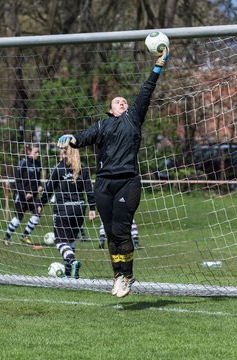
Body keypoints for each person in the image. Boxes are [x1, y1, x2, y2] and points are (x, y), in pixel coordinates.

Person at [57, 49, 169, 296]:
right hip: (103, 184)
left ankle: (127, 275)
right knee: (110, 233)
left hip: (127, 181)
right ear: (110, 109)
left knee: (121, 230)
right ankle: (118, 274)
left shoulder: (133, 118)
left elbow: (145, 91)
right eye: (119, 101)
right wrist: (73, 139)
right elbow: (86, 136)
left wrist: (157, 67)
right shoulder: (103, 124)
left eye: (125, 101)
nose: (124, 102)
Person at [39, 146, 96, 278]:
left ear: (63, 152)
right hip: (79, 209)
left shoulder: (58, 168)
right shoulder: (83, 168)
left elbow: (48, 188)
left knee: (60, 241)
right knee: (70, 241)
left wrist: (41, 203)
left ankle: (72, 261)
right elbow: (89, 190)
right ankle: (70, 273)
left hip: (63, 209)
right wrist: (92, 208)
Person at [3, 143, 42, 245]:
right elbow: (18, 181)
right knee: (18, 217)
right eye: (35, 152)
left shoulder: (38, 163)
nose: (37, 154)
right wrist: (24, 194)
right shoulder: (22, 163)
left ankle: (24, 236)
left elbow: (38, 179)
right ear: (29, 152)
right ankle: (6, 237)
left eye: (38, 152)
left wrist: (40, 185)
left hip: (33, 196)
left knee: (38, 211)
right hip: (21, 196)